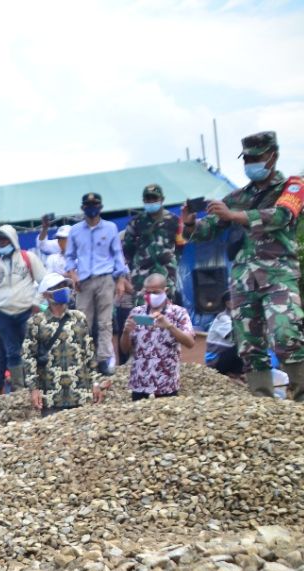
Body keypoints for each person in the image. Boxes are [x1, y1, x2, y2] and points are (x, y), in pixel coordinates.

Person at [185, 130, 304, 400]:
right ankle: (263, 401)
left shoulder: (293, 186)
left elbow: (282, 215)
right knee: (249, 345)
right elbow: (209, 229)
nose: (250, 163)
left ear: (272, 156)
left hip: (278, 275)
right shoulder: (238, 196)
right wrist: (192, 223)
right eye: (246, 158)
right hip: (243, 279)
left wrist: (235, 215)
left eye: (256, 157)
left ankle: (300, 402)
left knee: (287, 335)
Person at [65, 192, 131, 374]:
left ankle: (103, 360)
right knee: (83, 322)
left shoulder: (110, 228)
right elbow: (69, 256)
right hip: (84, 281)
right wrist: (73, 274)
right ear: (82, 208)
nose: (91, 208)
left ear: (101, 208)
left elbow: (118, 254)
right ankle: (84, 360)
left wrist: (121, 280)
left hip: (105, 278)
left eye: (95, 205)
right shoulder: (75, 230)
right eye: (88, 205)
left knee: (105, 322)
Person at [0, 224, 46, 396]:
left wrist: (37, 302)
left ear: (13, 240)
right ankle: (19, 390)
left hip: (27, 310)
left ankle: (38, 384)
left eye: (5, 240)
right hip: (3, 313)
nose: (2, 244)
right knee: (12, 352)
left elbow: (45, 281)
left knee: (32, 349)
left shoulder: (28, 258)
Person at [22, 274, 101, 415]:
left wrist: (95, 383)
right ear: (46, 294)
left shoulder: (79, 318)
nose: (63, 290)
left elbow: (89, 354)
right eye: (57, 288)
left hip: (81, 394)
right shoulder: (36, 322)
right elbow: (28, 357)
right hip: (51, 396)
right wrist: (34, 389)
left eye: (65, 286)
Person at [120, 273, 196, 400]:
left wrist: (170, 327)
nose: (151, 296)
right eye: (147, 292)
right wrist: (126, 332)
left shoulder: (178, 313)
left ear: (165, 291)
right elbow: (125, 349)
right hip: (140, 383)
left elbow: (190, 343)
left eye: (155, 292)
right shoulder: (136, 313)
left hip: (166, 383)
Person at [205, 294, 243, 378]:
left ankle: (237, 373)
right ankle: (232, 373)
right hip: (215, 360)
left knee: (245, 346)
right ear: (228, 303)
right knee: (243, 345)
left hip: (225, 357)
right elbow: (235, 336)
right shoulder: (223, 318)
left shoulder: (236, 317)